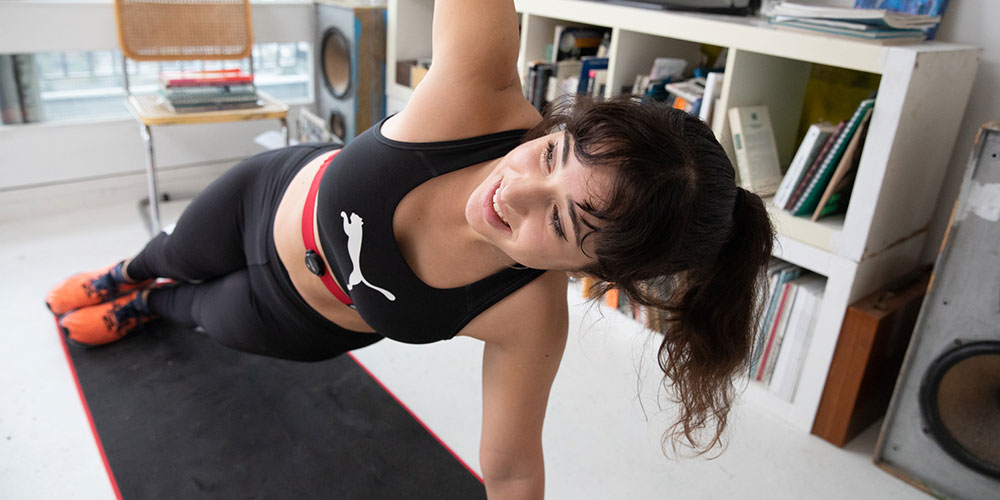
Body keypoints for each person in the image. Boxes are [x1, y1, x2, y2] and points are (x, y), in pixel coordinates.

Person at [46, 0, 774, 497]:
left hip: (296, 317)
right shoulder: (482, 89)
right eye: (551, 156)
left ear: (593, 271)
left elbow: (514, 471)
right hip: (262, 198)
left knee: (196, 309)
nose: (512, 192)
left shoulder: (527, 317)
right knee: (171, 250)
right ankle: (125, 274)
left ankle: (142, 308)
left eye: (560, 224)